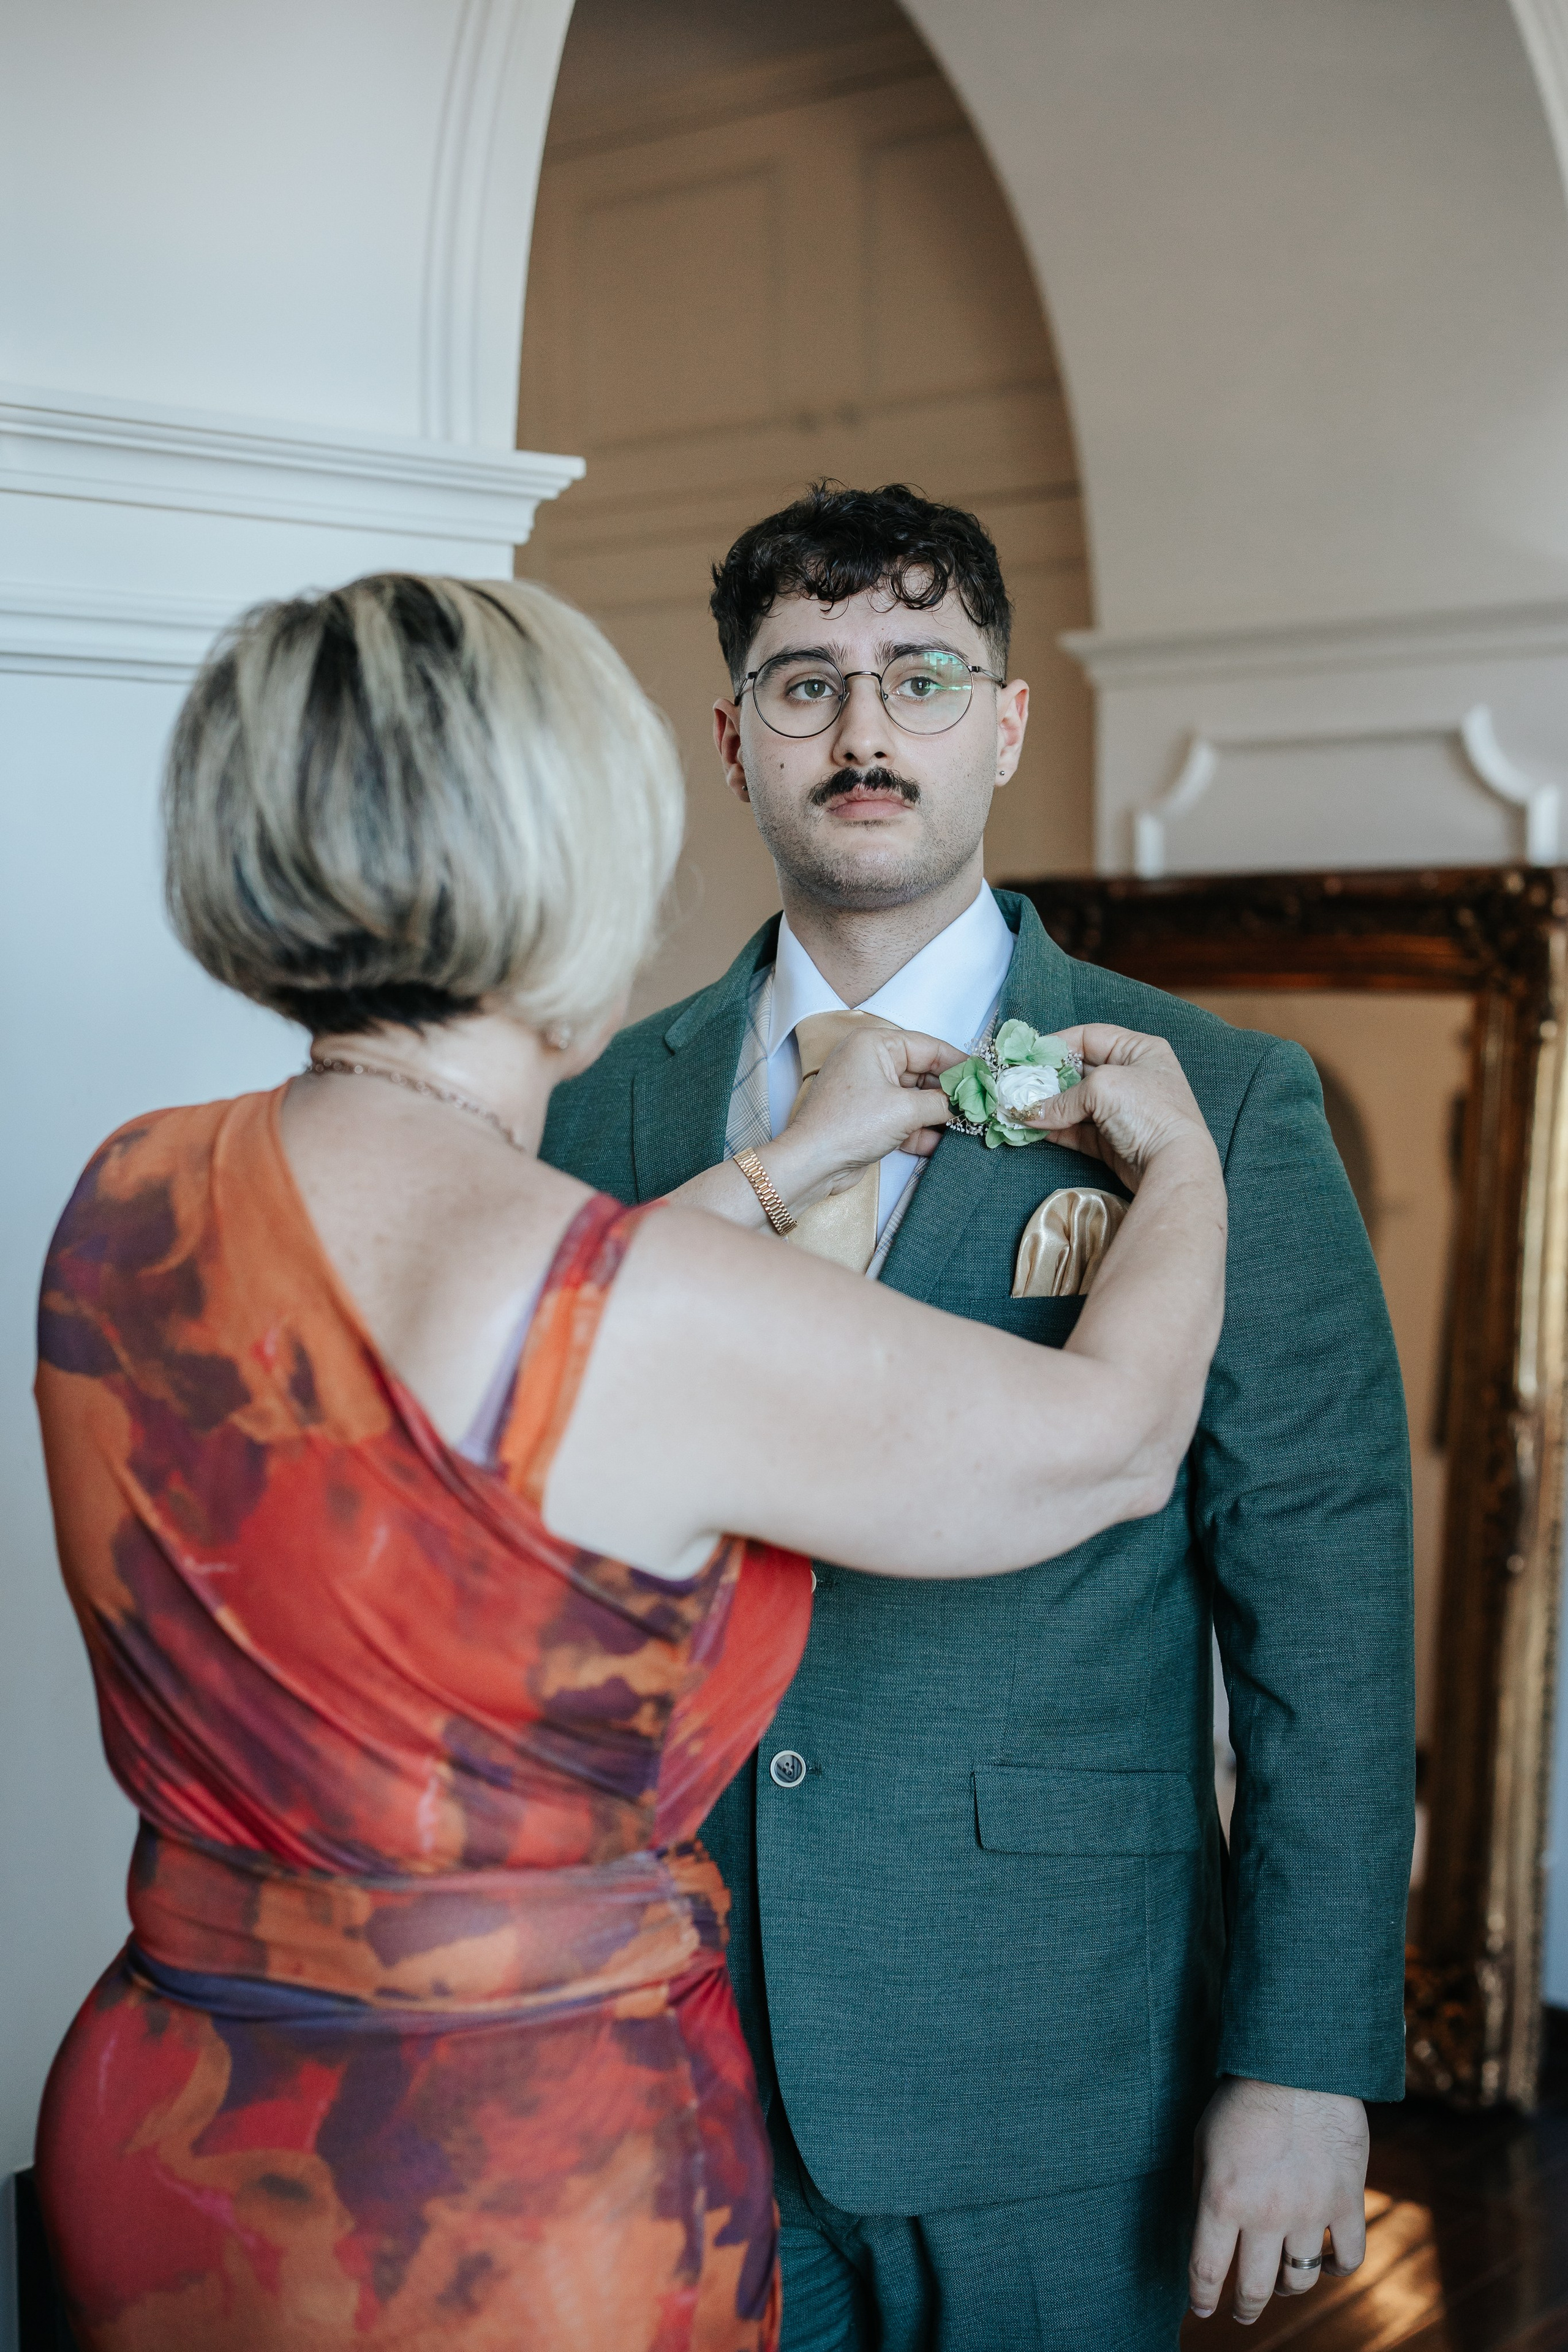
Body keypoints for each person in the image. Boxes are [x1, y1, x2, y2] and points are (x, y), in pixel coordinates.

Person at [32, 571, 1228, 2352]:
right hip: (497, 2197)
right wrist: (1192, 1167)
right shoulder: (630, 1309)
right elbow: (1112, 1448)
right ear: (575, 871)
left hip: (164, 2119)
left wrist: (765, 1173)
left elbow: (471, 1386)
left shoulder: (127, 1191)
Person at [541, 484, 1417, 2350]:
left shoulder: (1226, 1106)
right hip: (648, 2042)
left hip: (1051, 2049)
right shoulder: (603, 1105)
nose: (865, 733)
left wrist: (1309, 2060)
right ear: (734, 740)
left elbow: (1322, 1612)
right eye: (806, 686)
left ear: (1004, 723)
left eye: (920, 676)